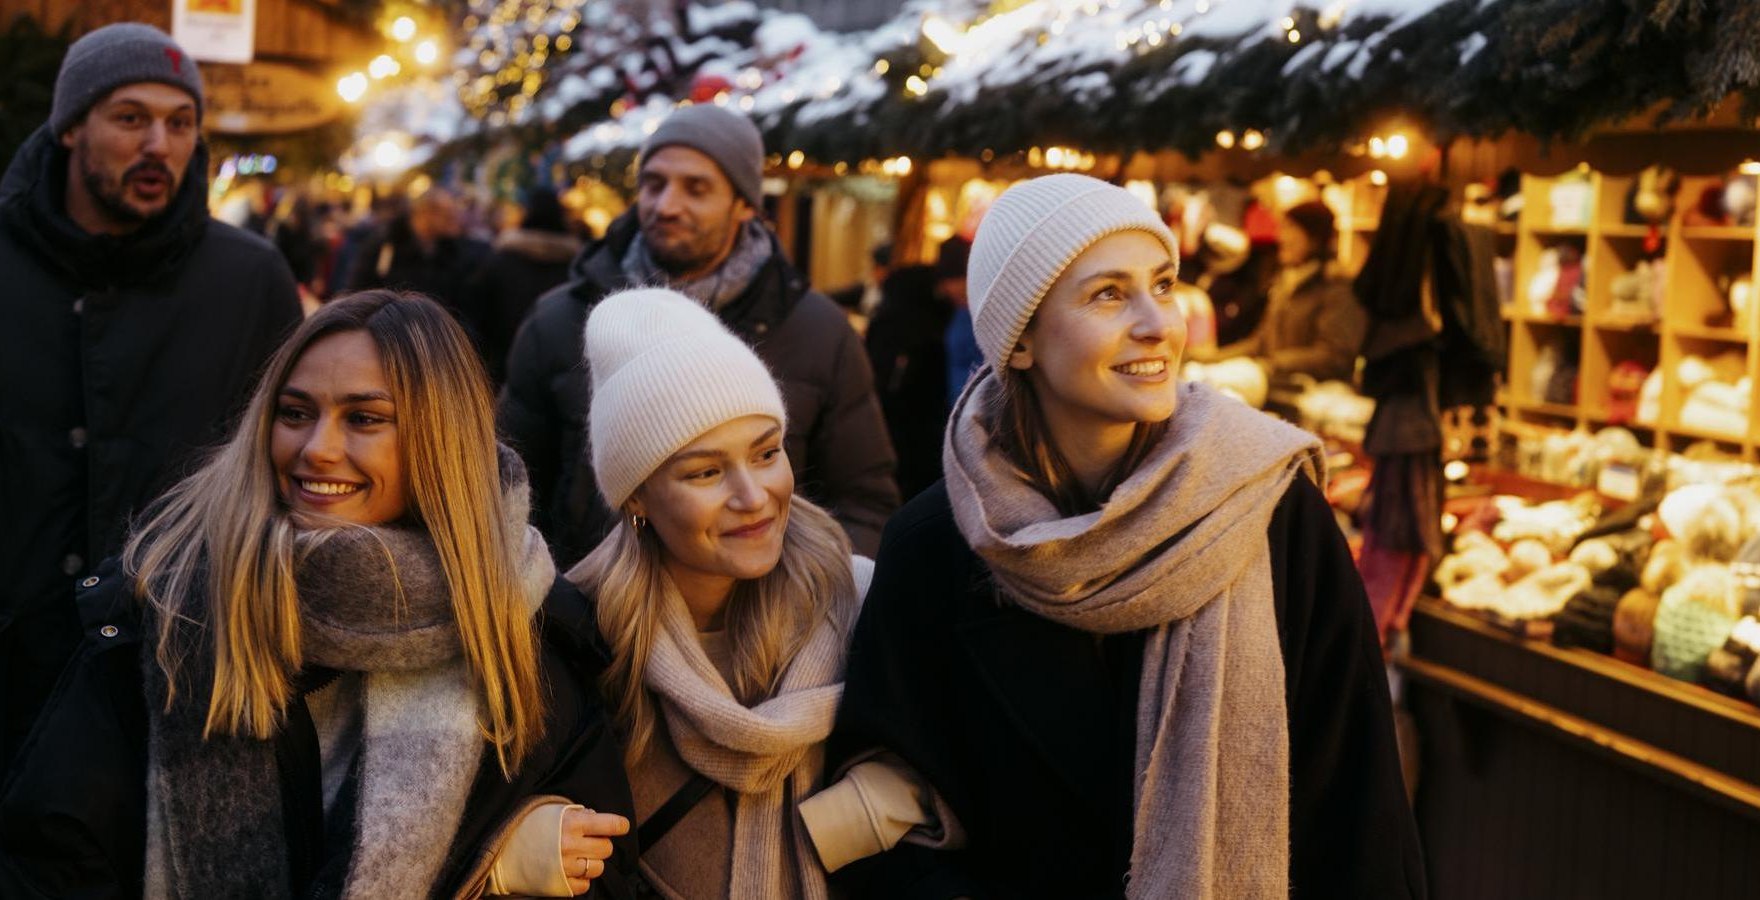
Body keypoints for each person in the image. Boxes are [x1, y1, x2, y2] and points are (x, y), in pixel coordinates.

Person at [829, 175, 1425, 898]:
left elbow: (1357, 806)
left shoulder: (1267, 507)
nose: (1158, 324)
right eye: (1108, 294)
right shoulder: (939, 543)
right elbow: (888, 820)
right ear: (1019, 341)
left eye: (1164, 284)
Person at [0, 291, 637, 898]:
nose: (317, 449)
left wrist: (497, 870)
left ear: (441, 442)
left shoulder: (525, 634)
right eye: (296, 413)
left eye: (364, 419)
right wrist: (480, 865)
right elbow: (53, 857)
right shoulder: (161, 609)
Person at [565, 288, 942, 898]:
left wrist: (849, 822)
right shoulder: (580, 640)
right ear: (636, 496)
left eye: (767, 453)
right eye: (706, 472)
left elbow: (966, 775)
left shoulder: (862, 602)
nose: (753, 496)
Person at [0, 22, 302, 769]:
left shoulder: (248, 280)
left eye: (180, 123)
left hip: (165, 688)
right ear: (72, 126)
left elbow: (280, 480)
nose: (158, 146)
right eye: (130, 118)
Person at [499, 104, 898, 565]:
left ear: (745, 203)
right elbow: (506, 487)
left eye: (696, 188)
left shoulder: (817, 332)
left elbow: (867, 504)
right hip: (590, 618)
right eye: (654, 183)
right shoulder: (559, 322)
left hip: (764, 623)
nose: (666, 205)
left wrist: (804, 605)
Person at [1207, 199, 1367, 385]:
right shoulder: (1283, 283)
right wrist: (1213, 358)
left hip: (1316, 400)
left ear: (1315, 237)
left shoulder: (1337, 288)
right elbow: (1260, 343)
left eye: (1291, 228)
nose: (1281, 237)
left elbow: (1334, 356)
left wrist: (1272, 364)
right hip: (1274, 390)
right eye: (1282, 228)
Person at [461, 187, 583, 386]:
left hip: (502, 373)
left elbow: (476, 318)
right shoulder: (576, 266)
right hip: (563, 375)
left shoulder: (499, 261)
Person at [346, 186, 489, 314]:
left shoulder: (454, 251)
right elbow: (359, 292)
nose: (455, 221)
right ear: (425, 213)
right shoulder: (385, 245)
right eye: (447, 216)